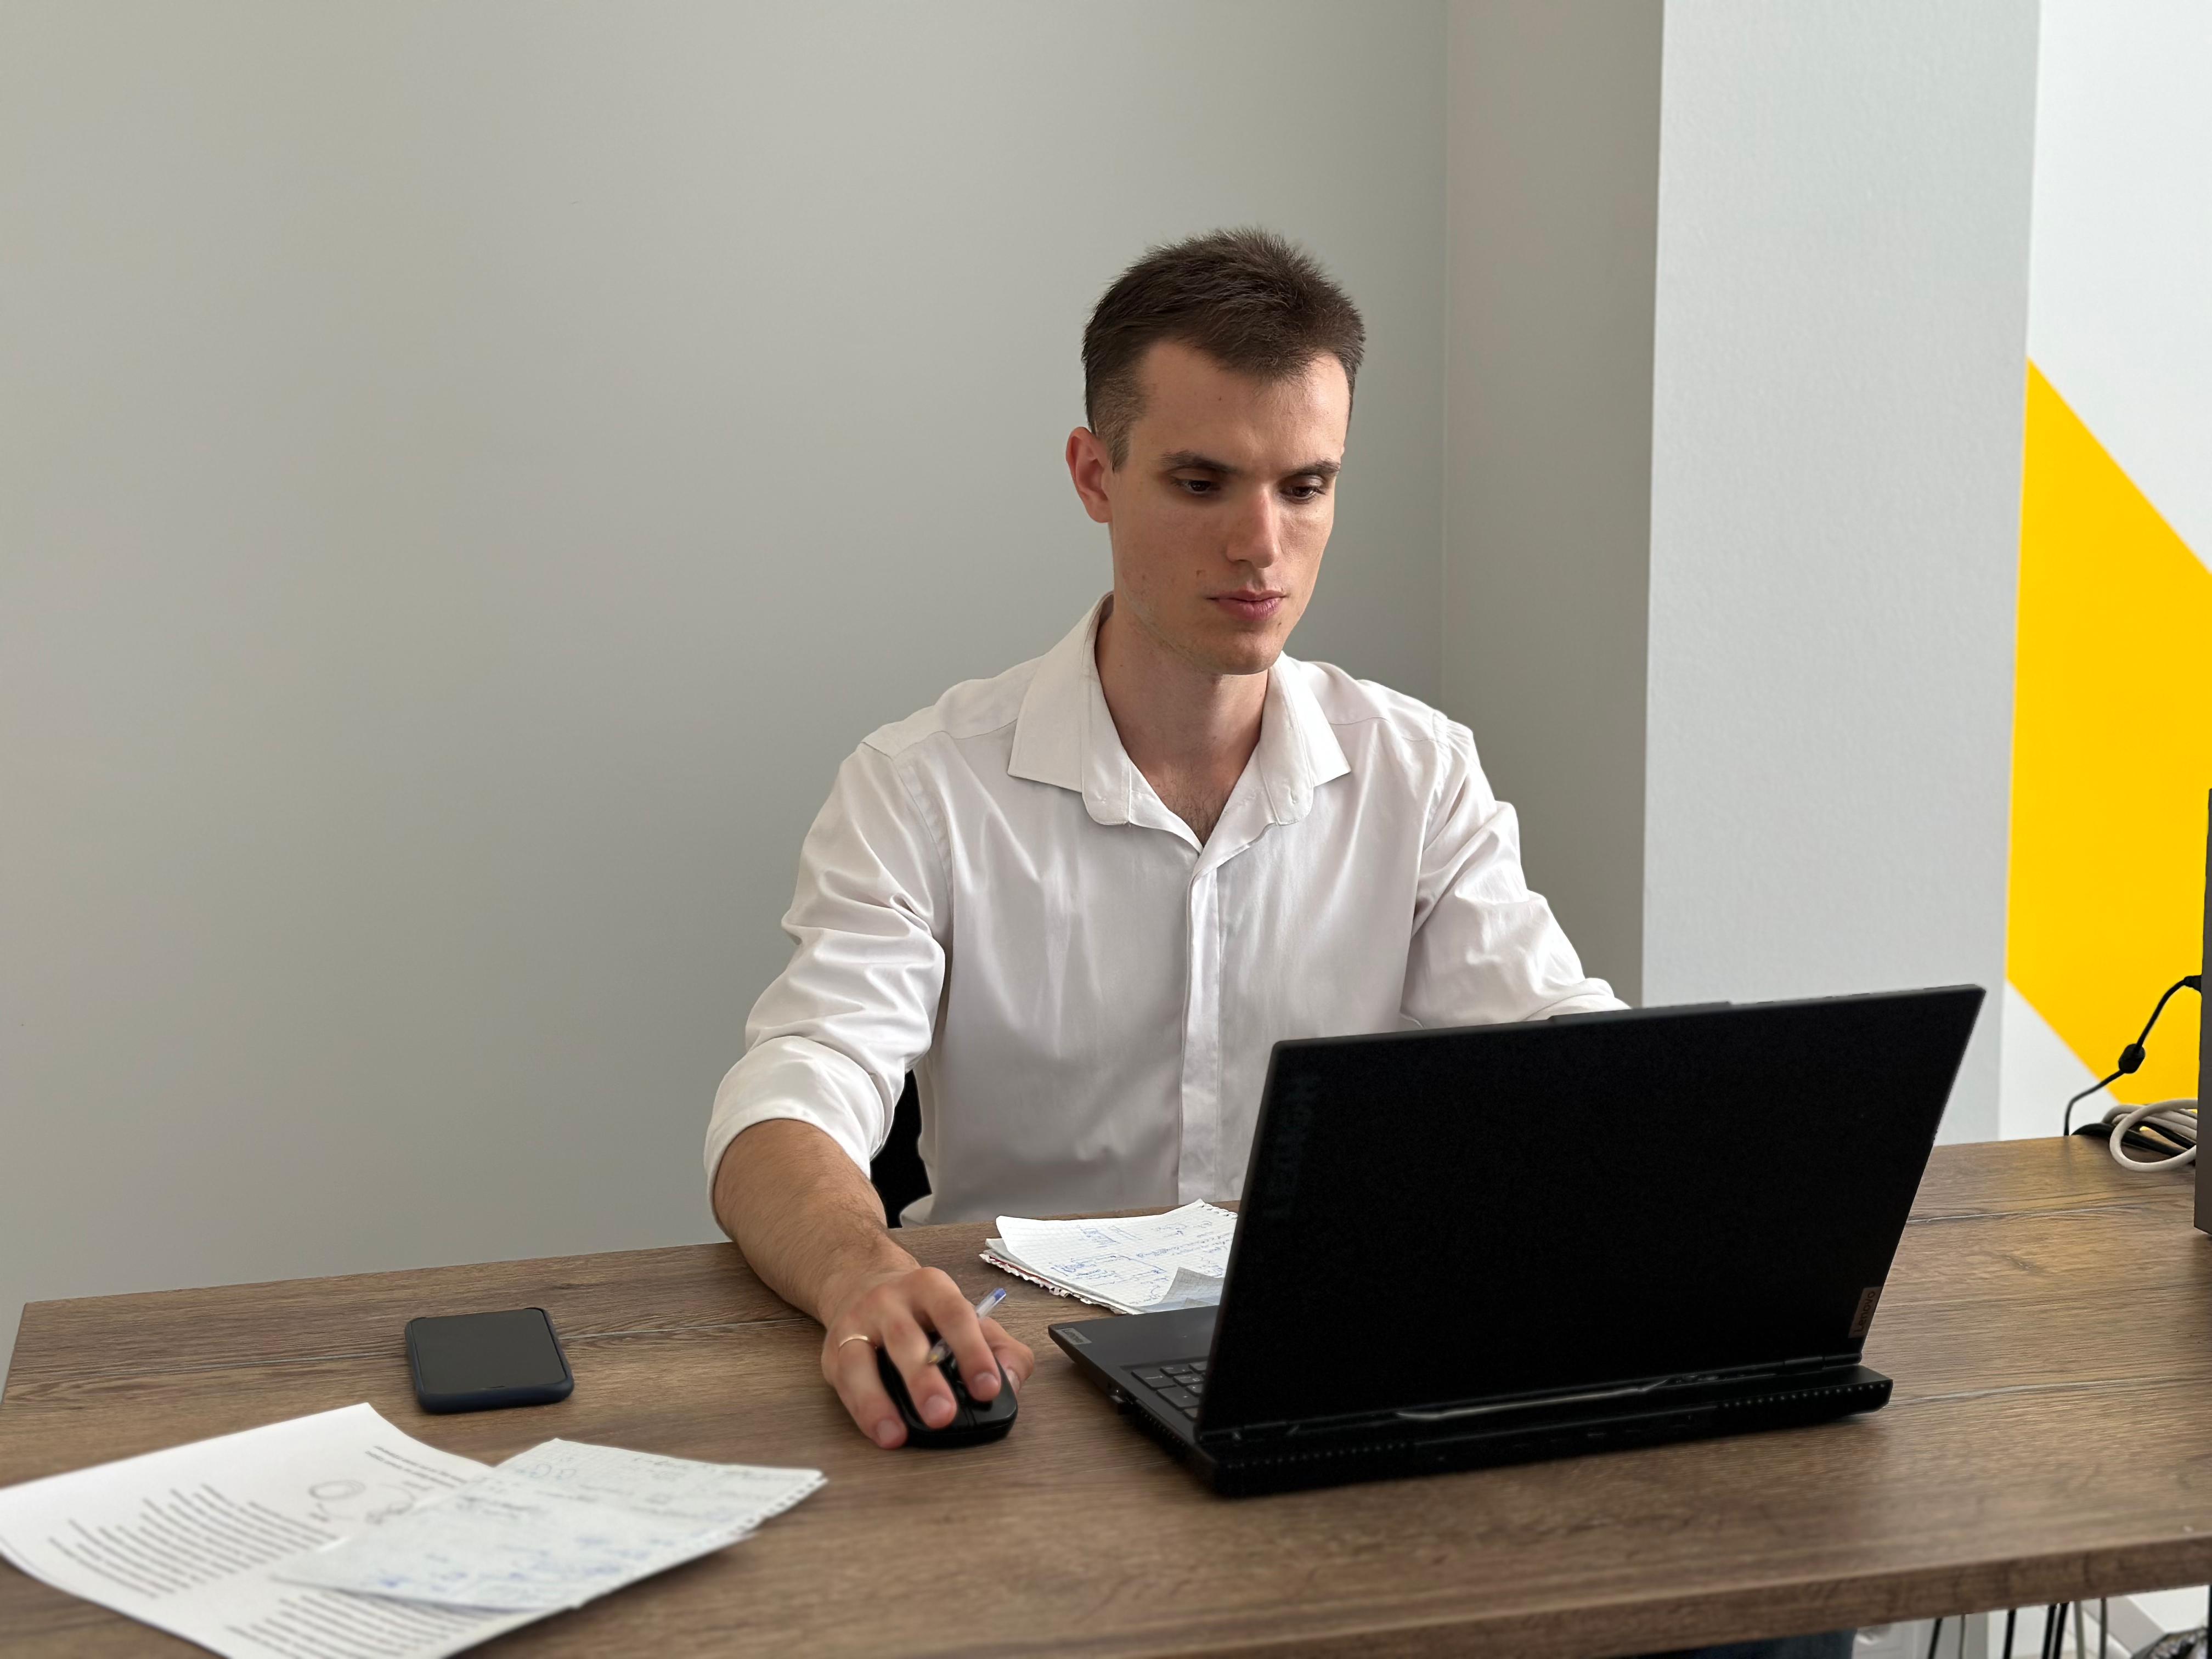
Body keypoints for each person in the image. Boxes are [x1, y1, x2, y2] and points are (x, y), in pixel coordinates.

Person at [707, 229, 1844, 1659]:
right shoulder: (923, 787)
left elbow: (1554, 1044)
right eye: (1202, 483)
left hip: (1345, 1376)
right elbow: (795, 1093)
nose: (1262, 545)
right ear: (1094, 475)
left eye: (1306, 487)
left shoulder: (1416, 769)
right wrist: (861, 1274)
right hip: (1035, 1392)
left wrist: (1710, 1141)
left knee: (1772, 1589)